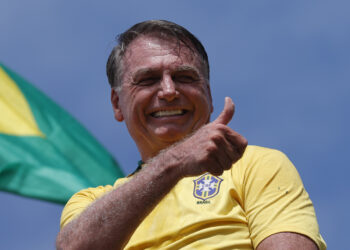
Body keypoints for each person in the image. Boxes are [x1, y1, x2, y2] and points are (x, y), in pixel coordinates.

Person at [56, 20, 326, 250]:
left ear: (208, 96)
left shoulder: (256, 165)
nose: (169, 91)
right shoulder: (90, 202)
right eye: (148, 79)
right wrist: (177, 161)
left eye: (185, 77)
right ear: (117, 104)